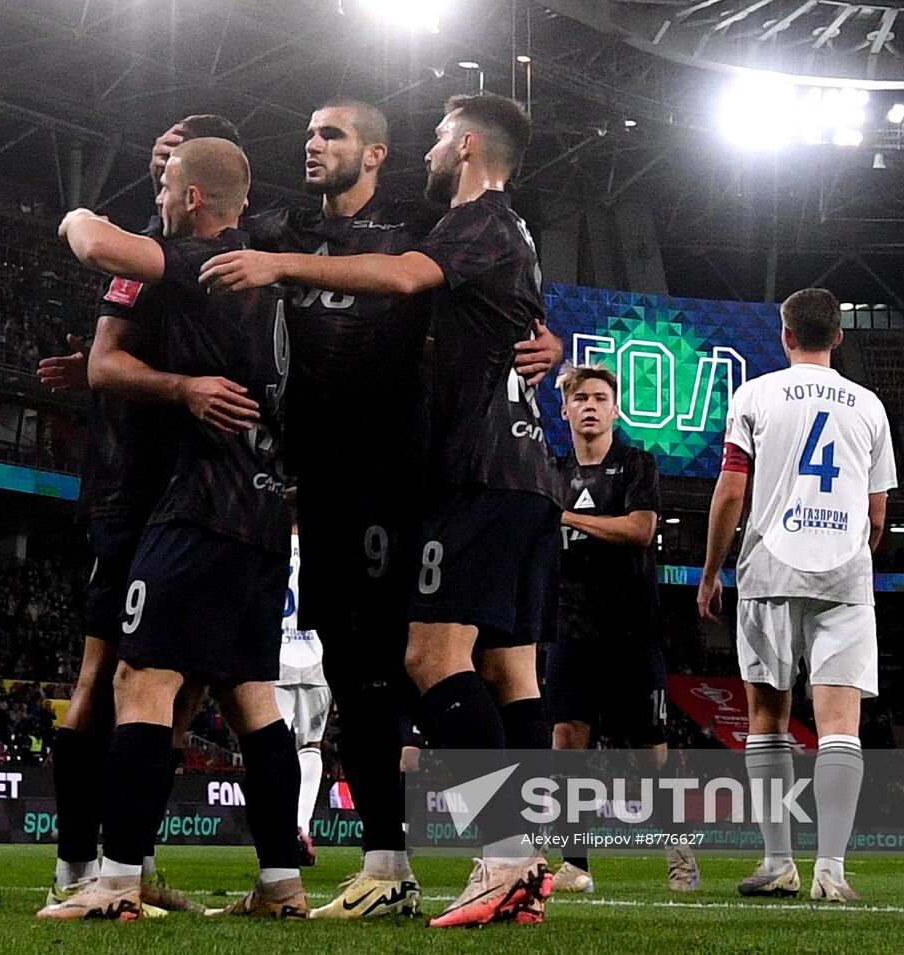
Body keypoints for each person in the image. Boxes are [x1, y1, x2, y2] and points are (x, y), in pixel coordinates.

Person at [157, 98, 560, 919]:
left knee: (419, 659)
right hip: (318, 483)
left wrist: (547, 337)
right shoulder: (280, 225)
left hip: (408, 474)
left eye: (331, 134)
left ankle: (506, 848)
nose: (313, 144)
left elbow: (477, 289)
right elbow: (198, 233)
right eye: (307, 132)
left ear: (375, 154)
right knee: (354, 665)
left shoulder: (426, 222)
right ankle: (390, 865)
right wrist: (170, 172)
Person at [39, 137, 306, 921]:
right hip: (266, 512)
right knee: (252, 695)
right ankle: (281, 884)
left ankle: (114, 881)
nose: (157, 195)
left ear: (192, 199)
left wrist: (77, 213)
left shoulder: (206, 262)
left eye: (167, 186)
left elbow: (92, 242)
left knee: (139, 681)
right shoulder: (276, 280)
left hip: (202, 506)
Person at [697, 287, 896, 904]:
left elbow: (731, 492)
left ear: (785, 336)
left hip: (769, 573)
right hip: (843, 576)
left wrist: (710, 572)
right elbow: (877, 514)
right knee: (840, 727)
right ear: (838, 336)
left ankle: (777, 860)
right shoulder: (869, 406)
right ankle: (831, 871)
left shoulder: (754, 394)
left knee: (767, 721)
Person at [546, 364, 699, 894]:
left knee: (649, 755)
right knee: (567, 745)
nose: (590, 405)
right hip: (569, 626)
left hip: (632, 630)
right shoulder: (551, 471)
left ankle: (679, 853)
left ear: (615, 410)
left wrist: (566, 518)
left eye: (600, 397)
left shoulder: (637, 464)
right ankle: (575, 864)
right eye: (580, 397)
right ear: (563, 409)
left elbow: (640, 529)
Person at [275, 519, 331, 867]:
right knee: (310, 746)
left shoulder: (272, 546)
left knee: (272, 744)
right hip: (316, 657)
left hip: (274, 654)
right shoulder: (322, 550)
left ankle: (279, 831)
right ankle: (301, 826)